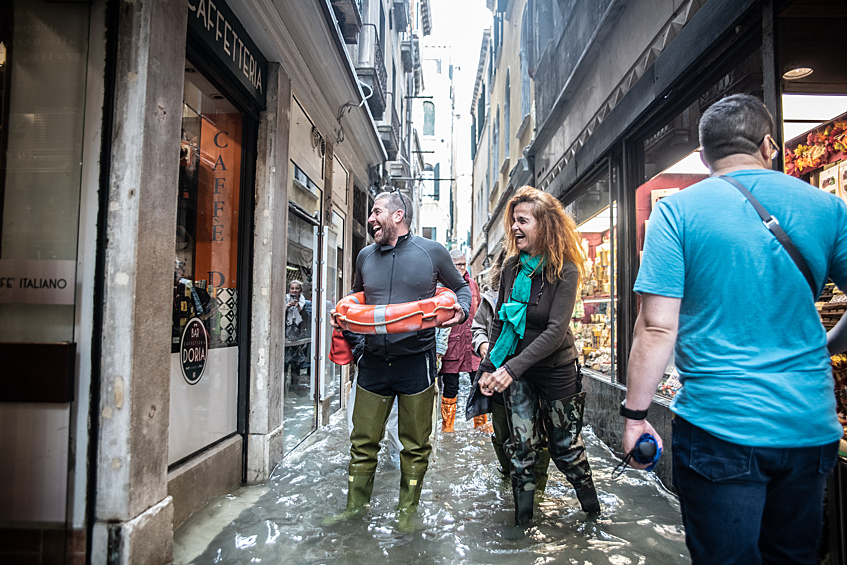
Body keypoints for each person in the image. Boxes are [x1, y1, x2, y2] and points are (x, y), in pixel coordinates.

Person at [622, 94, 847, 564]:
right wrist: (827, 344)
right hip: (808, 421)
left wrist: (636, 416)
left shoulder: (676, 212)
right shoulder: (827, 207)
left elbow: (657, 327)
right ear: (770, 145)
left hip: (718, 426)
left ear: (703, 157)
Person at [326, 191, 471, 528]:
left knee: (416, 446)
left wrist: (461, 312)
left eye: (376, 212)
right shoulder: (364, 256)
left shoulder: (431, 252)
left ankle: (407, 514)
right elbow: (354, 304)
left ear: (398, 215)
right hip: (373, 364)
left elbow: (462, 288)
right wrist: (360, 349)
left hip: (415, 364)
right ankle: (354, 510)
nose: (370, 219)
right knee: (362, 443)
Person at [479, 186, 601, 527]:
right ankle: (522, 528)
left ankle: (593, 516)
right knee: (520, 451)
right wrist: (489, 368)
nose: (515, 228)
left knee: (567, 450)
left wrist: (510, 369)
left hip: (557, 370)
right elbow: (501, 321)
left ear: (544, 225)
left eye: (523, 221)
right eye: (513, 221)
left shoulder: (567, 270)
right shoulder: (510, 268)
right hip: (518, 374)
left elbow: (555, 332)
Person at [472, 250, 551, 491]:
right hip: (497, 375)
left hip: (533, 374)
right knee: (502, 432)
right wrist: (484, 345)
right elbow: (479, 329)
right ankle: (508, 476)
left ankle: (536, 486)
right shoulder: (490, 298)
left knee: (539, 434)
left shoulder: (543, 293)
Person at [440, 249, 483, 432]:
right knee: (450, 388)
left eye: (464, 264)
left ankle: (481, 426)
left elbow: (480, 311)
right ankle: (447, 427)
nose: (462, 268)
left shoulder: (473, 285)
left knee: (479, 384)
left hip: (472, 344)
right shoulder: (442, 287)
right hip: (451, 346)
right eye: (457, 264)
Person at [284, 280, 312, 387]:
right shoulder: (284, 301)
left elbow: (308, 320)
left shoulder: (306, 303)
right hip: (286, 337)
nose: (294, 290)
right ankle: (283, 388)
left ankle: (294, 387)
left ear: (300, 290)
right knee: (284, 364)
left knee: (296, 365)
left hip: (299, 338)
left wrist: (299, 308)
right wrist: (286, 308)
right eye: (292, 288)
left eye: (297, 288)